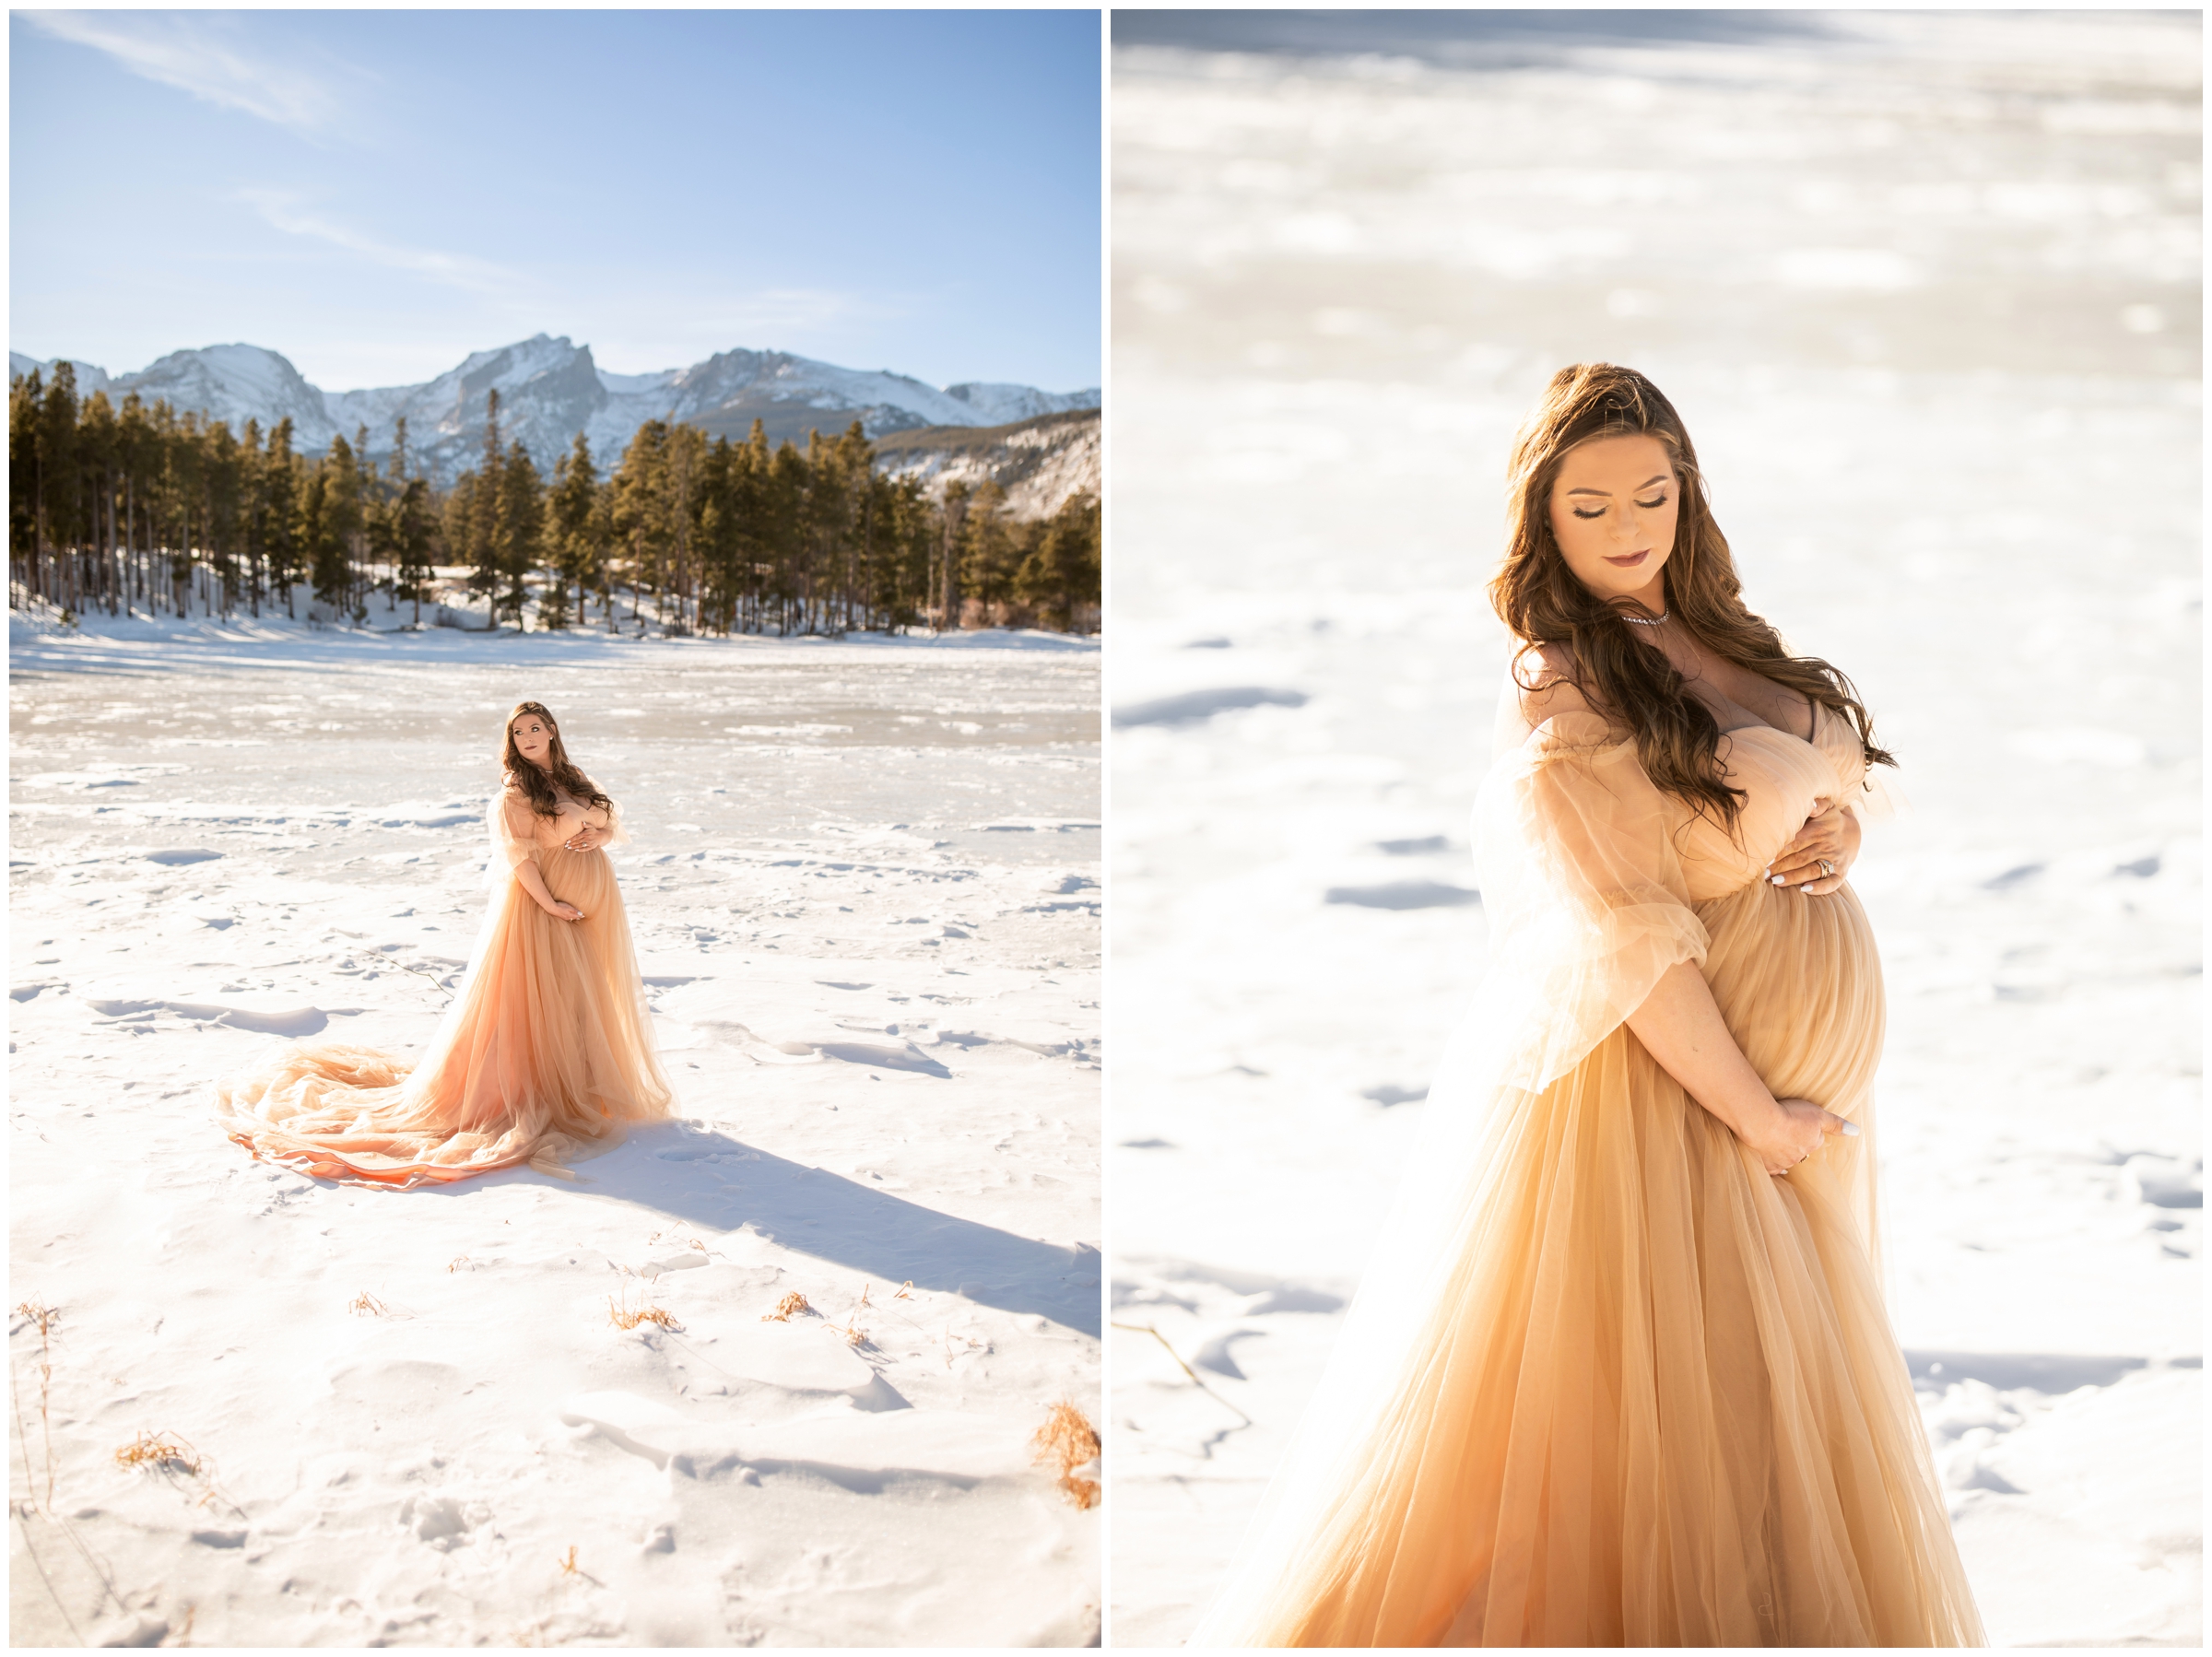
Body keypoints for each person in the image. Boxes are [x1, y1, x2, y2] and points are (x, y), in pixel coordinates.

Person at [1191, 365, 1984, 1645]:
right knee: (1646, 1456)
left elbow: (1774, 794)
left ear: (1689, 493)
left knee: (1754, 1443)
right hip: (1674, 1102)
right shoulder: (1561, 682)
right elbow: (1626, 942)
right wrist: (1754, 1116)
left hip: (1773, 1108)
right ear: (1542, 522)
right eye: (1591, 507)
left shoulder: (1723, 634)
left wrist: (1835, 826)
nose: (1628, 529)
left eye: (1652, 496)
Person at [218, 701, 674, 1186]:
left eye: (535, 728)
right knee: (539, 1000)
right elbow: (518, 861)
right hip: (543, 910)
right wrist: (551, 906)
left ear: (553, 730)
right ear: (512, 742)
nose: (528, 737)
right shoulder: (515, 794)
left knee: (580, 996)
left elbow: (608, 822)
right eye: (519, 732)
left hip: (592, 909)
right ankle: (536, 1089)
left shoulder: (574, 776)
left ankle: (576, 1083)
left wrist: (599, 838)